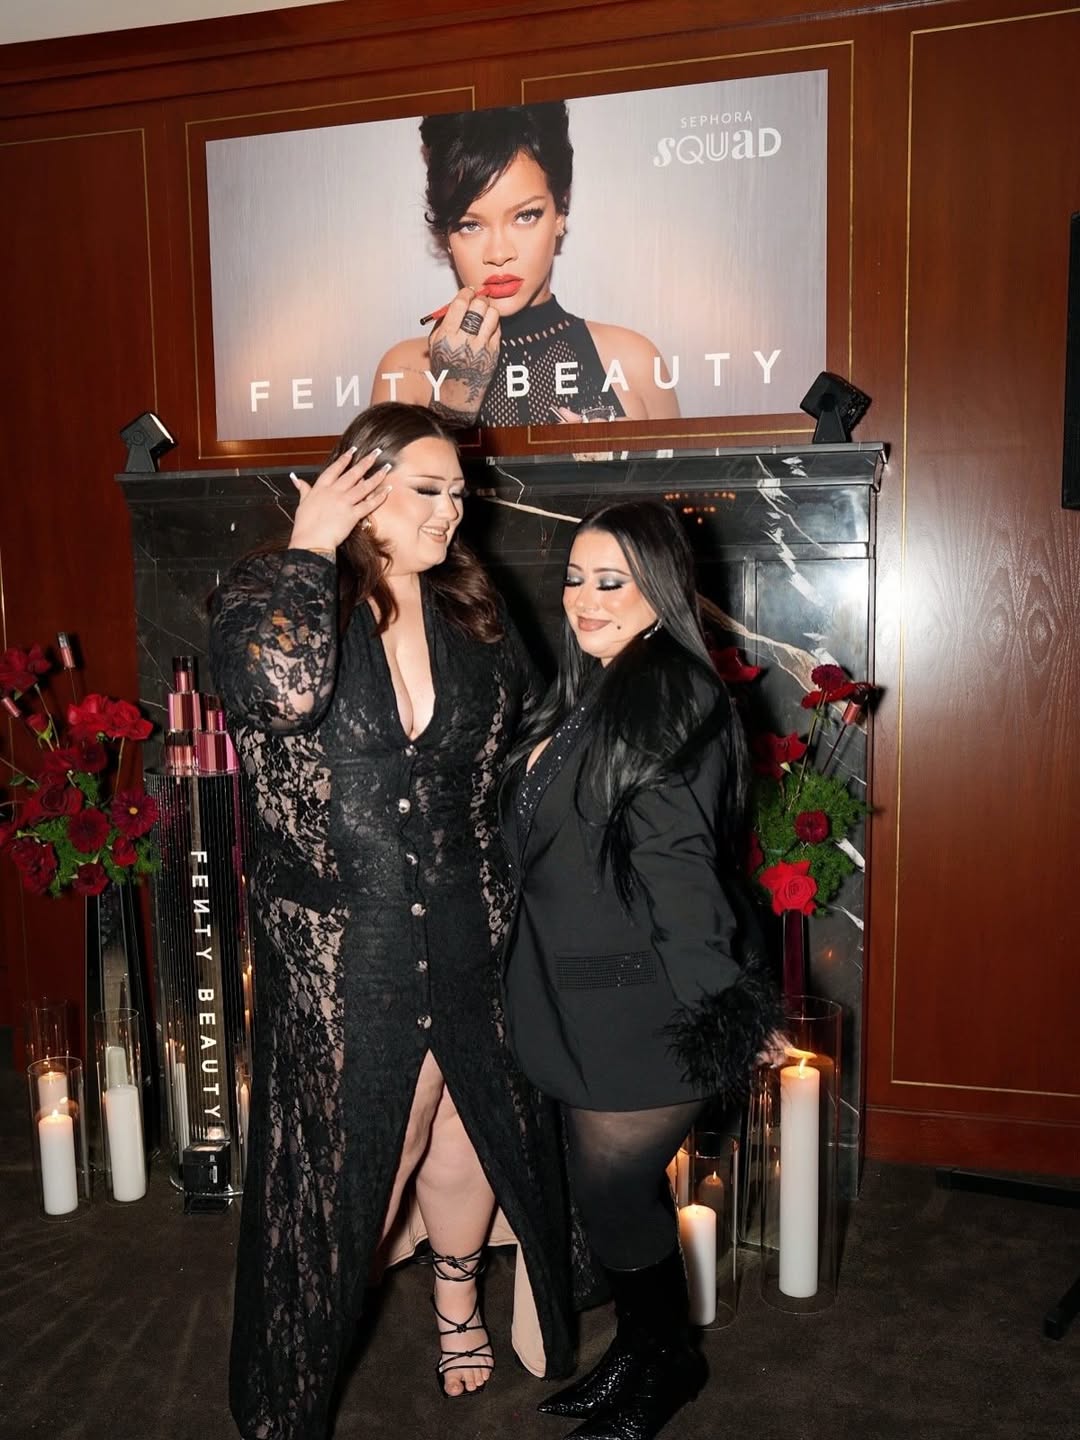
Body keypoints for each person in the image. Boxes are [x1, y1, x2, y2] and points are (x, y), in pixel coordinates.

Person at [209, 402, 576, 1439]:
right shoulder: (275, 590)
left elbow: (516, 747)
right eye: (430, 490)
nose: (454, 512)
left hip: (470, 919)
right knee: (364, 1153)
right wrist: (307, 551)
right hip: (343, 946)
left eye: (461, 491)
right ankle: (303, 1367)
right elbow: (270, 696)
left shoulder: (473, 606)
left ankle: (457, 1302)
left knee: (467, 1126)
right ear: (359, 488)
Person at [499, 500, 780, 1440]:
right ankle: (642, 1351)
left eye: (610, 581)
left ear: (658, 592)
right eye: (574, 578)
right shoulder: (601, 685)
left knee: (616, 1195)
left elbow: (677, 863)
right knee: (611, 1196)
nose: (584, 598)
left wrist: (724, 1002)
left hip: (644, 1000)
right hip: (586, 994)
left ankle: (668, 1366)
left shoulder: (664, 690)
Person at [371, 102, 680, 427]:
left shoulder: (635, 361)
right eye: (470, 225)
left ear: (560, 212)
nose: (499, 253)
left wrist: (622, 471)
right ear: (447, 235)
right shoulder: (404, 372)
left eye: (525, 216)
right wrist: (451, 407)